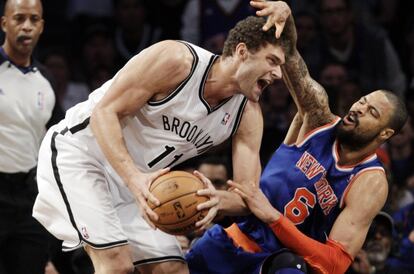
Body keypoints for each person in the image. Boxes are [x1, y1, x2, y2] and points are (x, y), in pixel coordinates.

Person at [32, 13, 289, 274]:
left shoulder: (247, 115)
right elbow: (104, 113)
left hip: (139, 185)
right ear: (242, 51)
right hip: (81, 154)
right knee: (115, 264)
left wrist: (216, 199)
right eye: (272, 61)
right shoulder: (177, 60)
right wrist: (135, 180)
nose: (279, 73)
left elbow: (248, 195)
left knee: (173, 270)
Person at [185, 1, 408, 273]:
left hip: (286, 261)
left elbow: (335, 263)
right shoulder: (318, 119)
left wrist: (274, 218)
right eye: (362, 101)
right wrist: (285, 15)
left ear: (385, 133)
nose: (358, 108)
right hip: (237, 238)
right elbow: (291, 59)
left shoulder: (370, 181)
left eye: (371, 111)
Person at [0, 0, 60, 273]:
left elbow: (57, 138)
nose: (26, 26)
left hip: (29, 196)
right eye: (19, 18)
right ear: (4, 23)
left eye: (34, 19)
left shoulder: (45, 80)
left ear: (42, 26)